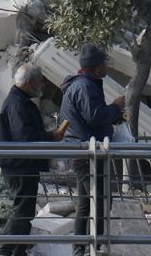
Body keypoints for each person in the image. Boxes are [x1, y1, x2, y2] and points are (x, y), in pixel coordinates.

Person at [60, 43, 125, 256]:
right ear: (96, 67)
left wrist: (114, 117)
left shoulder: (84, 84)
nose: (106, 66)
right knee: (102, 200)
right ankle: (93, 248)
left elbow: (92, 116)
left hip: (82, 151)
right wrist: (116, 107)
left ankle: (82, 249)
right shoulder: (85, 87)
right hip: (86, 153)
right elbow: (94, 116)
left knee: (87, 203)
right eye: (103, 63)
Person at [0, 63, 60, 256]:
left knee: (25, 211)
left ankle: (17, 251)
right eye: (40, 81)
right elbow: (25, 138)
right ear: (30, 82)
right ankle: (4, 251)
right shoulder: (17, 104)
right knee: (21, 211)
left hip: (23, 165)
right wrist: (51, 136)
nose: (42, 85)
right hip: (20, 166)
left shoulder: (20, 101)